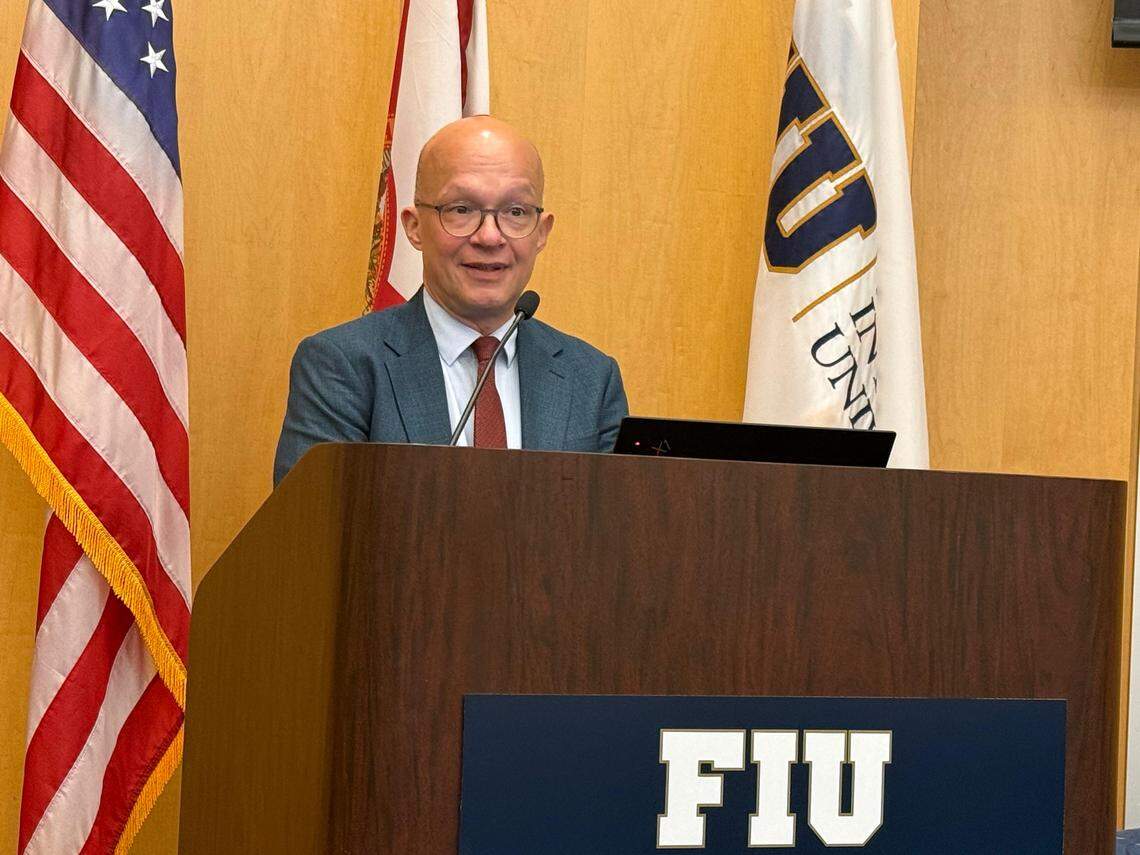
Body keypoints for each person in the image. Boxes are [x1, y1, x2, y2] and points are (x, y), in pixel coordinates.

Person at [273, 116, 628, 486]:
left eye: (515, 212)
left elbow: (615, 519)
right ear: (414, 227)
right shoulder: (343, 365)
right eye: (461, 209)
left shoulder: (591, 378)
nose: (489, 237)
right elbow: (312, 519)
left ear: (541, 232)